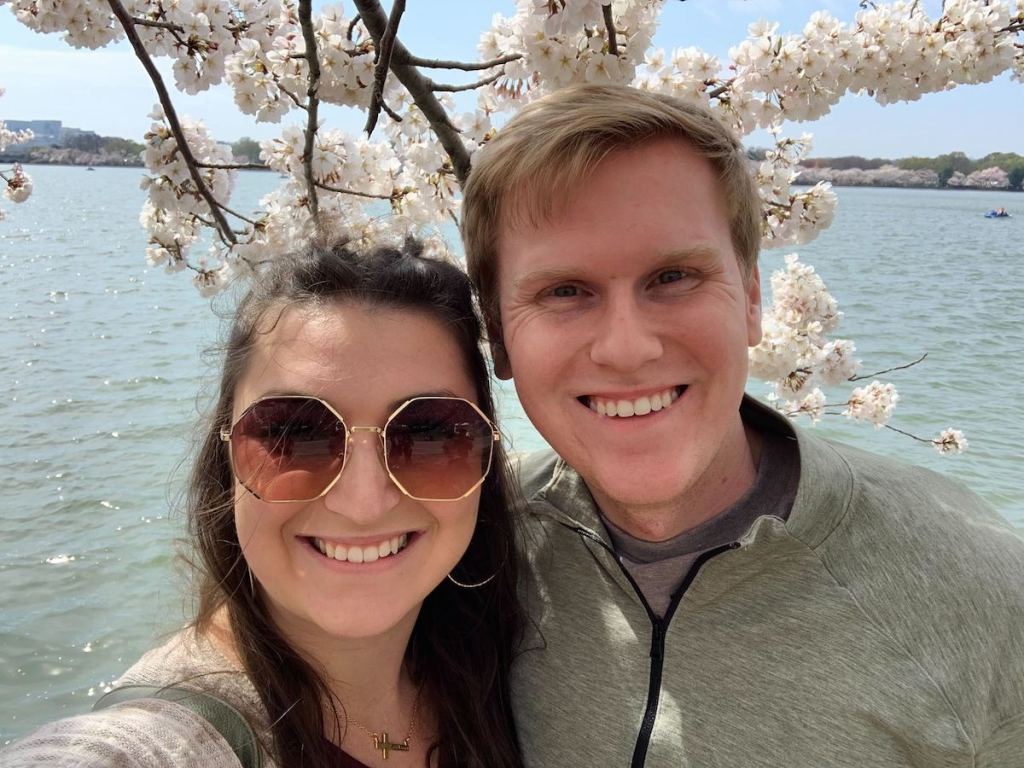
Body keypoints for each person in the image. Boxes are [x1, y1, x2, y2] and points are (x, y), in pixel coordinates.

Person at [461, 83, 1024, 767]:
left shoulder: (977, 588)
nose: (627, 347)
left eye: (672, 276)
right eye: (564, 291)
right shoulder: (472, 555)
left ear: (752, 299)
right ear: (498, 336)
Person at [2, 238, 525, 768]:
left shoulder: (505, 659)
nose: (362, 502)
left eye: (430, 432)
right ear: (224, 454)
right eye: (293, 434)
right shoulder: (176, 738)